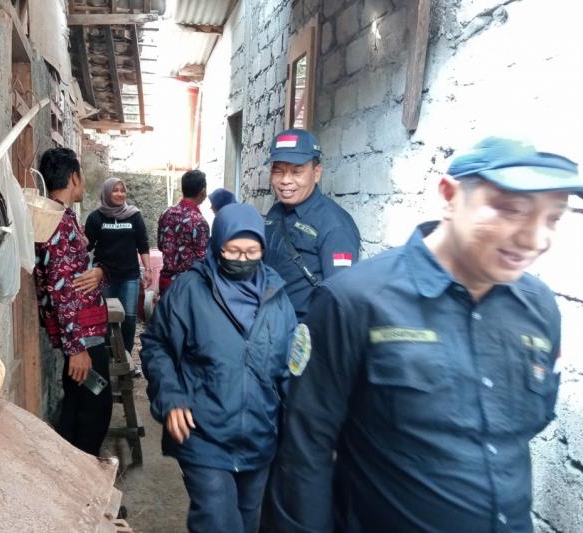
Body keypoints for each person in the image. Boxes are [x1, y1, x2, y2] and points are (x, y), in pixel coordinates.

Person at [270, 137, 581, 532]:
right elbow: (306, 452)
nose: (535, 239)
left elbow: (519, 433)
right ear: (450, 196)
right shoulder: (357, 301)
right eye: (510, 210)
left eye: (552, 218)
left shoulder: (538, 309)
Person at [141, 203, 297, 533]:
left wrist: (298, 426)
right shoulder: (189, 291)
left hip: (259, 437)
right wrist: (170, 397)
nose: (243, 259)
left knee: (249, 523)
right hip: (204, 434)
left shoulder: (278, 299)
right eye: (233, 251)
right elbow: (157, 346)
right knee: (217, 521)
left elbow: (288, 369)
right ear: (216, 246)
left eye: (252, 252)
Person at [33, 147, 111, 456]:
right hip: (82, 336)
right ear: (74, 177)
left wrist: (99, 272)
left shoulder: (60, 217)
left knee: (78, 405)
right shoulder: (58, 222)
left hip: (79, 332)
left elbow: (71, 276)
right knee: (94, 411)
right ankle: (83, 475)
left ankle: (68, 472)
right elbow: (61, 289)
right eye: (82, 176)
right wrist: (76, 349)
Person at [263, 128, 360, 319]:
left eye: (296, 171)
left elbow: (340, 298)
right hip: (269, 324)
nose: (285, 180)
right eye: (278, 171)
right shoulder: (275, 212)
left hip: (304, 330)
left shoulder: (335, 225)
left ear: (316, 173)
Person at [84, 177, 151, 356]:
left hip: (129, 276)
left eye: (122, 190)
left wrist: (148, 270)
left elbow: (143, 244)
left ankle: (126, 355)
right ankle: (109, 355)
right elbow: (87, 245)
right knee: (106, 316)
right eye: (115, 190)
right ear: (106, 193)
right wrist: (78, 238)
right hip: (103, 276)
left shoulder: (134, 215)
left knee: (129, 317)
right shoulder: (96, 217)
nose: (120, 194)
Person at [157, 169, 210, 295]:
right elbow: (202, 258)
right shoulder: (199, 222)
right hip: (188, 287)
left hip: (166, 283)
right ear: (203, 192)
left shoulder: (166, 213)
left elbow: (160, 245)